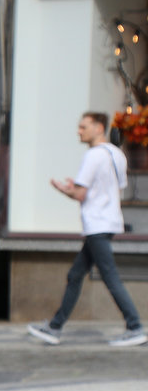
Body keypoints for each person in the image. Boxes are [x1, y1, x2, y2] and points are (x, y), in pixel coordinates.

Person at [28, 111, 146, 347]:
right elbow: (115, 187)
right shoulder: (117, 154)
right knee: (75, 274)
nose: (79, 131)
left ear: (99, 128)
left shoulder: (93, 156)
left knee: (110, 276)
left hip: (96, 223)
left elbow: (81, 194)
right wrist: (81, 189)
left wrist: (63, 189)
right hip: (109, 221)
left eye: (83, 127)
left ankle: (135, 326)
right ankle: (54, 327)